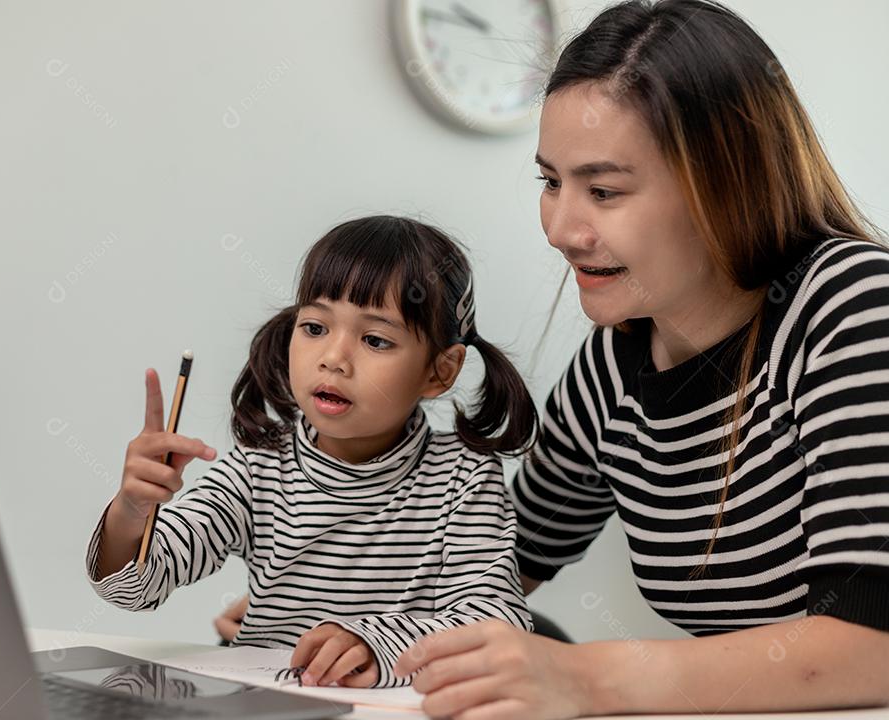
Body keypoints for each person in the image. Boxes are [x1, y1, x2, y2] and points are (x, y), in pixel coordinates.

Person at [219, 1, 889, 716]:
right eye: (550, 182)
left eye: (603, 191)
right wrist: (332, 612)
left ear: (728, 182)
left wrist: (585, 678)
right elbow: (492, 566)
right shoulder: (612, 368)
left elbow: (872, 647)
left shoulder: (852, 307)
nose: (562, 229)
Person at [86, 215, 538, 688]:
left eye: (375, 339)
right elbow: (134, 587)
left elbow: (498, 620)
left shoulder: (463, 478)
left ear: (440, 372)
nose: (333, 358)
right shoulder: (258, 468)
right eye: (316, 327)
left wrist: (375, 645)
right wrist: (132, 510)